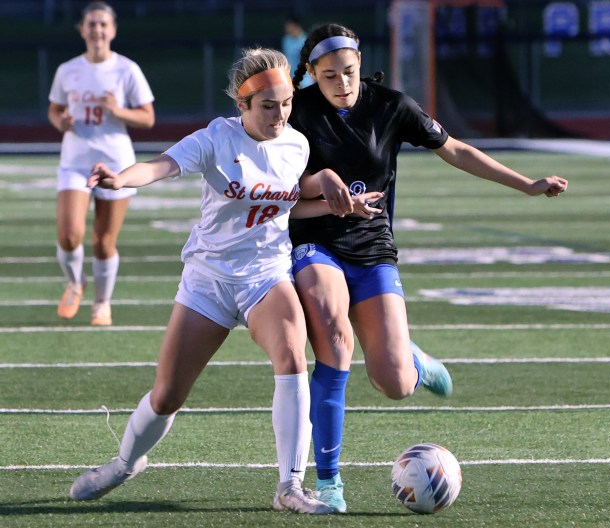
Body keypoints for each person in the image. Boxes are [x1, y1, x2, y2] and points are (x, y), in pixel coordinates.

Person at [67, 47, 379, 514]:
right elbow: (159, 166)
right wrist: (120, 180)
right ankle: (125, 463)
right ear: (243, 104)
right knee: (168, 394)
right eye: (268, 105)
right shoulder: (215, 139)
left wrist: (338, 198)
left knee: (293, 355)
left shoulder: (296, 144)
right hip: (209, 278)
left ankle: (289, 486)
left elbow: (289, 200)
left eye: (287, 103)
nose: (280, 114)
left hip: (265, 274)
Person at [288, 23, 569, 513]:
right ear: (311, 74)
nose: (342, 83)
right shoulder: (297, 112)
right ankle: (329, 483)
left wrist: (526, 184)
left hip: (373, 246)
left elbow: (455, 150)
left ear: (360, 66)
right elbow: (281, 188)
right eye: (329, 75)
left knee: (394, 382)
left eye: (349, 73)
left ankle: (411, 359)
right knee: (334, 339)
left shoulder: (391, 105)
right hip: (315, 243)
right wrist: (322, 187)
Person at [48, 1, 155, 326]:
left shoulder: (127, 69)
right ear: (82, 29)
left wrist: (118, 110)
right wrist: (61, 122)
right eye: (91, 24)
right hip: (75, 161)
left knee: (103, 241)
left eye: (103, 24)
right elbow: (54, 110)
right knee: (69, 235)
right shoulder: (67, 70)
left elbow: (148, 117)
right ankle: (76, 281)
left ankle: (101, 303)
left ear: (113, 30)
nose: (97, 30)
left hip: (114, 164)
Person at [282, 16, 313, 88]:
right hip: (290, 80)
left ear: (296, 26)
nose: (286, 29)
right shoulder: (286, 40)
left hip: (305, 81)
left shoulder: (306, 40)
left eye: (288, 26)